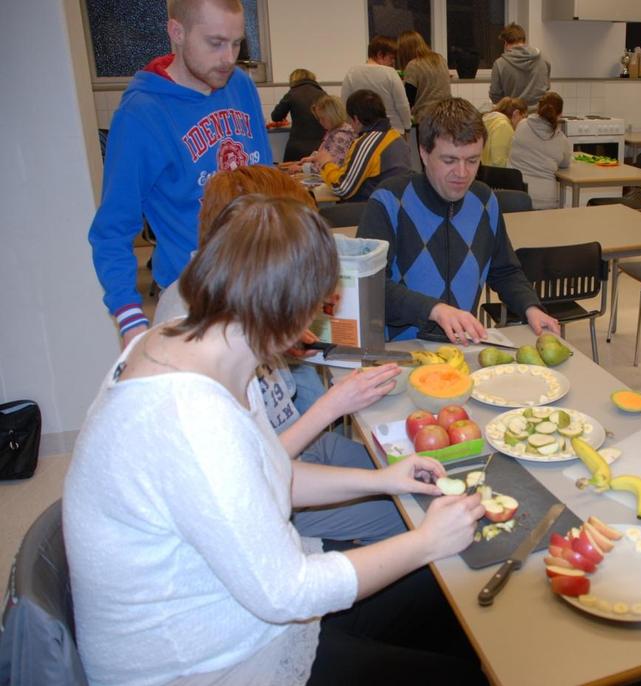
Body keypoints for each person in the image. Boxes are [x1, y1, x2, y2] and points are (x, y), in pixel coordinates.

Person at [65, 194, 487, 685]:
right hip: (204, 665)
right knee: (455, 661)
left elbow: (267, 470)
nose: (318, 321)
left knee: (445, 600)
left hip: (230, 611)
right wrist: (425, 541)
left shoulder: (196, 343)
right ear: (285, 311)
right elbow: (289, 592)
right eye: (318, 307)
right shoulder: (192, 420)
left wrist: (384, 480)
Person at [154, 165, 405, 542]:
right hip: (276, 492)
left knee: (401, 475)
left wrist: (280, 344)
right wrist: (333, 405)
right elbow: (256, 479)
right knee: (406, 516)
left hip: (295, 451)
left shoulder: (228, 302)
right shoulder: (194, 355)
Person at [88, 0, 271, 346]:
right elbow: (112, 230)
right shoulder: (142, 114)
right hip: (197, 299)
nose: (229, 58)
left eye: (236, 43)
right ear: (177, 33)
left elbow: (267, 184)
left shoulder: (240, 86)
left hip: (260, 284)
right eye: (216, 43)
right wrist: (130, 319)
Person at [356, 97, 560, 343]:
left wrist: (531, 307)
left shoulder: (485, 200)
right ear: (423, 152)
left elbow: (504, 269)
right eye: (449, 160)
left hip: (462, 347)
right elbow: (369, 286)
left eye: (472, 161)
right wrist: (434, 309)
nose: (462, 173)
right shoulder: (389, 201)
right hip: (401, 350)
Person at [313, 89, 411, 202]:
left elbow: (342, 188)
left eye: (349, 119)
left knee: (325, 214)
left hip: (374, 209)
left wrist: (326, 163)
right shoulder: (395, 137)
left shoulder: (367, 143)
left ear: (356, 119)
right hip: (396, 204)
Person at [509, 91, 572, 210]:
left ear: (538, 108)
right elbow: (565, 163)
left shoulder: (521, 125)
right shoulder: (560, 139)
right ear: (560, 115)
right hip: (545, 201)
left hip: (515, 196)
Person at [340, 34, 412, 133]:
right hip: (392, 131)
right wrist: (407, 125)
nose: (393, 62)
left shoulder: (352, 73)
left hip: (363, 131)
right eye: (391, 58)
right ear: (380, 54)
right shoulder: (390, 73)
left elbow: (345, 105)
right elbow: (402, 105)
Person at [271, 68, 326, 161]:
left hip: (297, 147)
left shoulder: (292, 93)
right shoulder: (323, 94)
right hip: (320, 146)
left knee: (292, 173)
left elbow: (276, 116)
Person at [489, 23, 551, 107]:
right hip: (539, 114)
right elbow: (546, 87)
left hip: (513, 115)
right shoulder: (543, 59)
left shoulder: (500, 64)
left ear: (505, 43)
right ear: (524, 41)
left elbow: (495, 95)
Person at [397, 30, 452, 122]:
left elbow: (409, 99)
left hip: (427, 117)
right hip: (447, 114)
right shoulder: (439, 59)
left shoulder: (414, 65)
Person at [482, 96, 527, 167]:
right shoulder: (503, 126)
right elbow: (499, 161)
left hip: (483, 171)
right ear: (516, 113)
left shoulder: (489, 120)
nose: (523, 122)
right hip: (494, 174)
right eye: (523, 117)